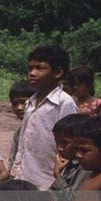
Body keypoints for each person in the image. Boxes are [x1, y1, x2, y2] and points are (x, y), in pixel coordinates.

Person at [13, 45, 79, 189]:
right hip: (25, 176)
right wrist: (16, 169)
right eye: (30, 68)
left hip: (48, 179)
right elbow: (24, 141)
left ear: (58, 72)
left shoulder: (64, 102)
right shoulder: (31, 102)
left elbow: (71, 141)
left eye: (39, 68)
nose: (32, 73)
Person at [9, 80, 37, 172]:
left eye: (24, 103)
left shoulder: (44, 129)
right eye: (15, 104)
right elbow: (13, 159)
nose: (19, 108)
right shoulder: (18, 133)